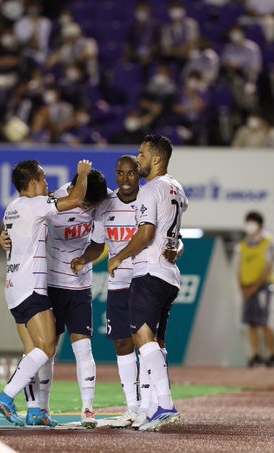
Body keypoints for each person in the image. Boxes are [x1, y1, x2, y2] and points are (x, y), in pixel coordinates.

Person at [71, 155, 183, 429]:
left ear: (138, 174)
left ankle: (150, 406)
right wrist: (84, 258)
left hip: (144, 278)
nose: (125, 179)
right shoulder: (105, 205)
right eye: (120, 173)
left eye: (131, 173)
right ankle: (133, 407)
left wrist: (177, 250)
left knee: (148, 341)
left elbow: (174, 238)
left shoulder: (149, 197)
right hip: (118, 283)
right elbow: (97, 245)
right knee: (122, 343)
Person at [0, 169, 109, 428]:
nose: (86, 207)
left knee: (82, 349)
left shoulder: (101, 201)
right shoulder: (52, 199)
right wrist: (3, 236)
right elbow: (21, 221)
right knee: (45, 351)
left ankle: (87, 410)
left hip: (79, 286)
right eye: (85, 201)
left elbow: (97, 245)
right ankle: (36, 407)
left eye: (91, 204)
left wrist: (84, 259)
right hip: (48, 284)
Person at [108, 134, 188, 431]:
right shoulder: (176, 188)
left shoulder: (150, 190)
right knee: (156, 342)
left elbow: (146, 234)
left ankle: (164, 405)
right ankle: (151, 408)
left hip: (150, 273)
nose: (137, 158)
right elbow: (175, 236)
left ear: (156, 158)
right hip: (169, 275)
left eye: (141, 154)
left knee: (142, 338)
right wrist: (177, 249)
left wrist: (119, 257)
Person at [233, 211, 274, 368]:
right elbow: (238, 267)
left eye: (252, 222)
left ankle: (272, 355)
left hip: (263, 287)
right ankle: (255, 355)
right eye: (248, 222)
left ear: (260, 225)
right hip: (247, 288)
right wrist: (242, 287)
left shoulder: (269, 242)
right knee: (251, 323)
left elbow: (270, 266)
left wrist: (255, 287)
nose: (249, 226)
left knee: (265, 322)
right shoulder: (242, 245)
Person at [221, 26, 262, 110]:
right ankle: (235, 110)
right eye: (233, 33)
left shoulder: (252, 47)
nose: (234, 35)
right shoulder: (229, 47)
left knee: (249, 91)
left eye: (237, 32)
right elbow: (223, 61)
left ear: (243, 34)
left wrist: (240, 66)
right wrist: (229, 65)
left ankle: (250, 111)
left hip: (248, 77)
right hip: (231, 76)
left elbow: (256, 68)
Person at [160, 1, 200, 66]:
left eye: (178, 8)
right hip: (174, 58)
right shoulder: (167, 29)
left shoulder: (191, 24)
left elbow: (192, 43)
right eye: (173, 8)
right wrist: (179, 52)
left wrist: (177, 51)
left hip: (190, 56)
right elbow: (166, 50)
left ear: (183, 10)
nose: (176, 11)